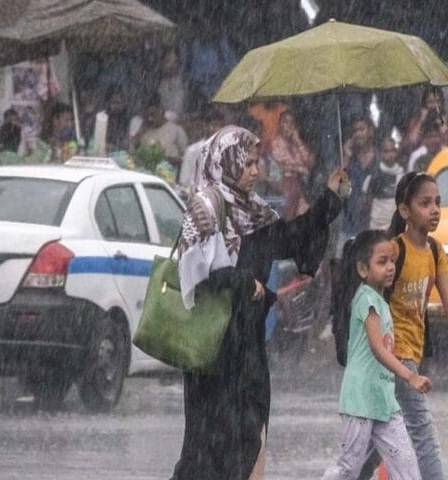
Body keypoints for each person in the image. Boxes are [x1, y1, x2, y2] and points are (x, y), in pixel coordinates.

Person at [171, 126, 346, 480]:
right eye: (247, 163)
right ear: (225, 163)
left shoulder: (255, 212)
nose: (255, 171)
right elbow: (195, 272)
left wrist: (330, 197)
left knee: (250, 432)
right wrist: (240, 281)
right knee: (207, 446)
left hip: (247, 344)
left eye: (256, 163)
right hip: (214, 344)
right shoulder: (205, 208)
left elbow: (292, 237)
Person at [358, 172, 448, 480]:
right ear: (405, 211)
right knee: (421, 432)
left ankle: (347, 475)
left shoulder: (435, 251)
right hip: (394, 355)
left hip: (409, 356)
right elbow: (368, 298)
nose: (434, 210)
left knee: (379, 438)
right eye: (425, 203)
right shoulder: (393, 250)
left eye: (437, 202)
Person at [321, 230, 429, 480]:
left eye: (392, 260)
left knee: (407, 466)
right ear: (362, 269)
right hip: (360, 400)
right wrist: (409, 376)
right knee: (348, 467)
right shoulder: (366, 299)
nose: (390, 267)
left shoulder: (381, 301)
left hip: (383, 400)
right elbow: (379, 350)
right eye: (382, 262)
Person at [339, 116, 380, 254]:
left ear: (371, 131)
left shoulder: (380, 159)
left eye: (361, 129)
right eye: (355, 131)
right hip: (350, 225)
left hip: (375, 225)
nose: (358, 134)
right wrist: (346, 156)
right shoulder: (350, 161)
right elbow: (341, 191)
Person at [271, 109, 315, 220]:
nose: (289, 126)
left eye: (292, 123)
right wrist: (300, 169)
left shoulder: (295, 145)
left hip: (300, 189)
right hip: (284, 187)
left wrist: (298, 141)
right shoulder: (275, 143)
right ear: (279, 124)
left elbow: (310, 162)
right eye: (286, 122)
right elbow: (280, 165)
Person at [401, 86, 448, 156]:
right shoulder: (416, 122)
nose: (435, 106)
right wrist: (421, 121)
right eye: (431, 102)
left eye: (438, 101)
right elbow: (409, 145)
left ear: (442, 103)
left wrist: (444, 129)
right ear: (424, 104)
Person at [132, 97, 189, 170]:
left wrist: (171, 160)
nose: (150, 119)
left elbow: (186, 157)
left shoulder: (176, 130)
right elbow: (132, 152)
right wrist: (142, 129)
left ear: (161, 112)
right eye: (147, 116)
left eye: (152, 115)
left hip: (170, 173)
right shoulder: (144, 132)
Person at [363, 137, 405, 230]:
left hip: (395, 225)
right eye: (386, 151)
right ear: (380, 153)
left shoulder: (402, 174)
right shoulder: (374, 176)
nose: (390, 155)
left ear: (396, 152)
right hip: (377, 225)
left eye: (392, 151)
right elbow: (367, 202)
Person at [158, 48, 187, 122]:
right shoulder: (160, 85)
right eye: (168, 61)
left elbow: (179, 112)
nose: (171, 65)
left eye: (174, 62)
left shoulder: (183, 83)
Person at [104, 87, 131, 153]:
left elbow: (127, 143)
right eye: (114, 103)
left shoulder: (126, 119)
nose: (116, 106)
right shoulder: (102, 118)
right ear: (108, 103)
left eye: (119, 103)